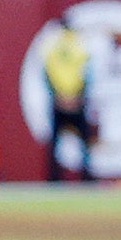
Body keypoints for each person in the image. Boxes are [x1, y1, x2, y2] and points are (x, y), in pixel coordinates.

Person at [40, 15, 95, 181]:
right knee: (84, 141)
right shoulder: (79, 45)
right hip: (76, 99)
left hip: (58, 99)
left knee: (56, 141)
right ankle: (87, 177)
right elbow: (88, 74)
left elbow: (46, 74)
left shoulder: (51, 47)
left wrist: (56, 95)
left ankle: (54, 178)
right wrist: (79, 96)